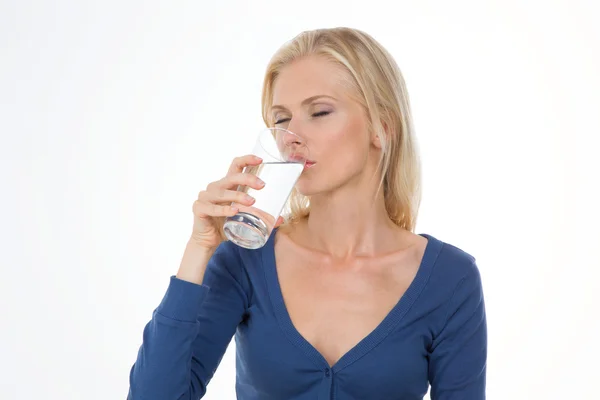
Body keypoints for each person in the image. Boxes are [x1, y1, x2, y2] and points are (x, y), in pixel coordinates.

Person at [127, 27, 487, 400]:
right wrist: (200, 247)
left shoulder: (450, 280)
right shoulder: (246, 258)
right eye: (281, 119)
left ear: (382, 126)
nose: (291, 136)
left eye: (319, 112)